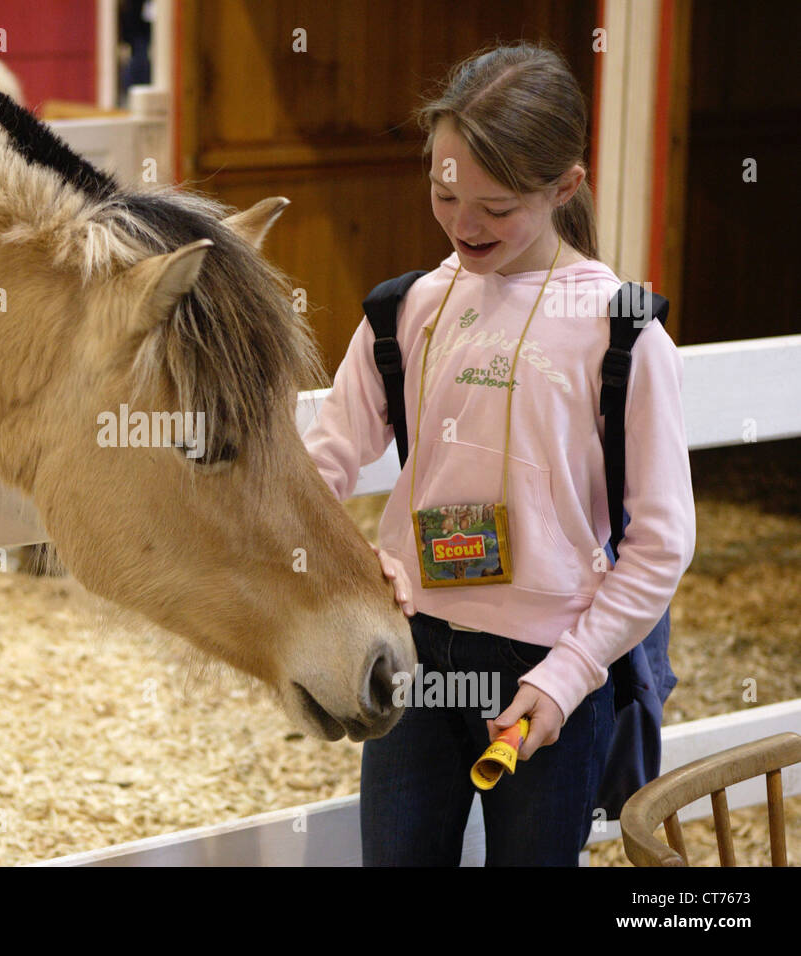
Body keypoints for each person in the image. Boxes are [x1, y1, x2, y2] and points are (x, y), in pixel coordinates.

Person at [301, 42, 696, 866]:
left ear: (565, 188)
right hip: (415, 650)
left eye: (498, 207)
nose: (464, 224)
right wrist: (346, 564)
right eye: (447, 193)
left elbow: (662, 542)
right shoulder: (407, 310)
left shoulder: (622, 332)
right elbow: (322, 462)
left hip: (547, 668)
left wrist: (569, 675)